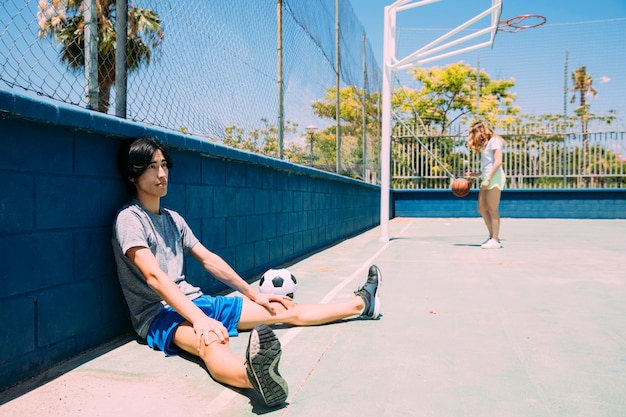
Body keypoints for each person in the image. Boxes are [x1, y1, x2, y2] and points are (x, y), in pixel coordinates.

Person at [112, 137, 381, 408]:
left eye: (163, 165)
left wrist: (254, 294)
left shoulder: (173, 218)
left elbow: (209, 259)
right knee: (211, 342)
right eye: (151, 167)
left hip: (196, 301)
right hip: (159, 315)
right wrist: (200, 321)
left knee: (285, 310)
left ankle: (361, 303)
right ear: (132, 175)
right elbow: (154, 277)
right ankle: (254, 377)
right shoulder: (129, 219)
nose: (161, 174)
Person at [465, 121, 506, 249]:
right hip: (487, 176)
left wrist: (488, 178)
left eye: (474, 133)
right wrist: (476, 174)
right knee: (481, 207)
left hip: (494, 177)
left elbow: (498, 162)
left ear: (481, 131)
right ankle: (492, 236)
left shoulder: (494, 141)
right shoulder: (486, 144)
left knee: (493, 209)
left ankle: (495, 239)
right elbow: (488, 165)